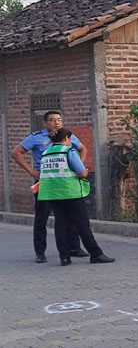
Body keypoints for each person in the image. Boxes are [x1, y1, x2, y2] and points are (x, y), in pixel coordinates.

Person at [10, 110, 86, 263]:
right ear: (45, 123)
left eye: (59, 119)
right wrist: (31, 171)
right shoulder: (37, 138)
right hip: (45, 182)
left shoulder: (67, 136)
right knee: (41, 218)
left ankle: (74, 248)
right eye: (52, 120)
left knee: (68, 216)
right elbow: (16, 152)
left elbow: (82, 148)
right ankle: (40, 252)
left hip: (64, 184)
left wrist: (78, 165)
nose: (56, 122)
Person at [38, 128, 114, 266]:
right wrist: (83, 171)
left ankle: (64, 257)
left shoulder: (45, 153)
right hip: (70, 192)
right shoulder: (69, 151)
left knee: (60, 224)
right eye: (70, 139)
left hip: (52, 193)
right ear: (66, 138)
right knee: (82, 224)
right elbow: (82, 173)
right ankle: (96, 254)